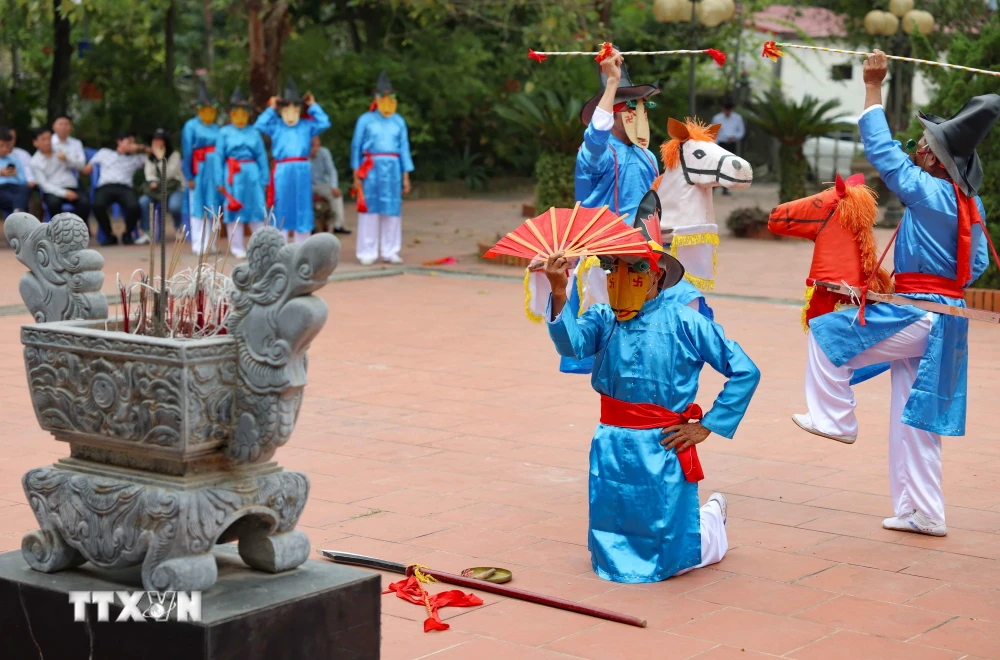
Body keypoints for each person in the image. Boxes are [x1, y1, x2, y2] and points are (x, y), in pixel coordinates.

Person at [793, 50, 996, 537]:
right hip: (945, 316)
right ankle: (923, 512)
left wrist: (871, 85)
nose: (919, 146)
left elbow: (882, 153)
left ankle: (835, 417)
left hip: (922, 312)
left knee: (825, 334)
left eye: (925, 143)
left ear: (935, 158)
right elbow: (980, 263)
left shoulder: (928, 192)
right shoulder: (971, 202)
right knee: (916, 420)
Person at [543, 203, 760, 582]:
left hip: (663, 442)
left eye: (636, 269)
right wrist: (560, 291)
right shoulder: (601, 317)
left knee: (672, 544)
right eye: (614, 268)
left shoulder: (687, 322)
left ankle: (711, 522)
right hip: (611, 439)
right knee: (612, 517)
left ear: (657, 276)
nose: (621, 278)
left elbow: (745, 370)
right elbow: (572, 347)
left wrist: (707, 425)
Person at [255, 78, 331, 243]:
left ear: (299, 109)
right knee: (282, 204)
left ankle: (302, 245)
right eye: (286, 108)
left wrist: (313, 106)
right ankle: (280, 245)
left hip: (302, 168)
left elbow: (325, 122)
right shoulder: (276, 126)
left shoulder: (306, 125)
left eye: (295, 108)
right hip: (283, 168)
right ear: (281, 110)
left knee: (302, 204)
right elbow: (259, 125)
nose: (290, 113)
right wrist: (271, 108)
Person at [351, 70, 413, 264]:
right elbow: (356, 146)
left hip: (393, 167)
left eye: (389, 95)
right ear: (376, 97)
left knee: (392, 208)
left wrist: (405, 176)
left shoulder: (399, 121)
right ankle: (367, 251)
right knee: (370, 208)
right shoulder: (365, 120)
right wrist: (355, 173)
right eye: (382, 95)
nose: (386, 98)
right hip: (371, 167)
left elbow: (404, 148)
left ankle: (390, 250)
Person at [215, 87, 269, 258]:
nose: (240, 116)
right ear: (231, 113)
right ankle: (237, 247)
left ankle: (260, 246)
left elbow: (261, 156)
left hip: (251, 172)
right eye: (236, 112)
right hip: (232, 173)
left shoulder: (254, 132)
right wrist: (219, 181)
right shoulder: (224, 132)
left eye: (243, 112)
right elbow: (218, 157)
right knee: (234, 208)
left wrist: (264, 178)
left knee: (256, 207)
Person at [81, 131, 148, 246]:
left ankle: (127, 233)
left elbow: (157, 156)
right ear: (119, 142)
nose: (132, 144)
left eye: (134, 142)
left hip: (125, 187)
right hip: (105, 186)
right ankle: (109, 234)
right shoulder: (104, 153)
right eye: (129, 142)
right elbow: (86, 170)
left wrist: (142, 148)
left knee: (134, 207)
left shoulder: (137, 158)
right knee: (98, 205)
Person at [182, 79, 223, 254]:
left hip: (214, 169)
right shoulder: (190, 126)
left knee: (213, 204)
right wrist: (189, 175)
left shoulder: (216, 128)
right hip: (199, 169)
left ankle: (211, 243)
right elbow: (187, 151)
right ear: (198, 109)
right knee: (197, 205)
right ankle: (198, 244)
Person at [30, 126, 91, 222]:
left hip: (71, 185)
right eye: (43, 139)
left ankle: (78, 229)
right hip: (53, 190)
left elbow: (80, 166)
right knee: (53, 204)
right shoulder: (35, 161)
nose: (47, 142)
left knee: (85, 202)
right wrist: (64, 193)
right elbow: (44, 185)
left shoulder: (61, 149)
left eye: (49, 138)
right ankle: (60, 232)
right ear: (35, 143)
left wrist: (67, 158)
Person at [138, 129, 185, 243]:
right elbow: (149, 174)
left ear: (165, 142)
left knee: (174, 206)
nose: (157, 142)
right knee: (143, 202)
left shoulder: (174, 155)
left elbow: (169, 174)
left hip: (174, 188)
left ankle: (178, 228)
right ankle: (148, 233)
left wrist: (160, 159)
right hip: (157, 190)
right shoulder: (149, 156)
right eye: (155, 139)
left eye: (160, 139)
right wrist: (153, 181)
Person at [311, 136, 348, 234]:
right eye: (312, 145)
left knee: (336, 196)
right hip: (306, 186)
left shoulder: (324, 152)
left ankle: (338, 226)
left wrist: (334, 186)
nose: (315, 147)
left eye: (317, 144)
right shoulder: (301, 154)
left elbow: (332, 171)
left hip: (322, 184)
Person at [710, 99, 745, 196]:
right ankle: (713, 187)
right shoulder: (717, 118)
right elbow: (713, 132)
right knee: (717, 166)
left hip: (731, 144)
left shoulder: (738, 118)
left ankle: (725, 188)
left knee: (729, 166)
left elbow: (741, 131)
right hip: (720, 143)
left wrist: (736, 137)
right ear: (722, 109)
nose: (727, 112)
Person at [0, 127, 30, 217]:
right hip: (1, 189)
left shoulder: (15, 160)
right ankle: (18, 212)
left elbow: (23, 181)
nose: (5, 149)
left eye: (8, 146)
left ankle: (17, 212)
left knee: (25, 189)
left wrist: (15, 174)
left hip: (15, 188)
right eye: (1, 146)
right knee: (19, 200)